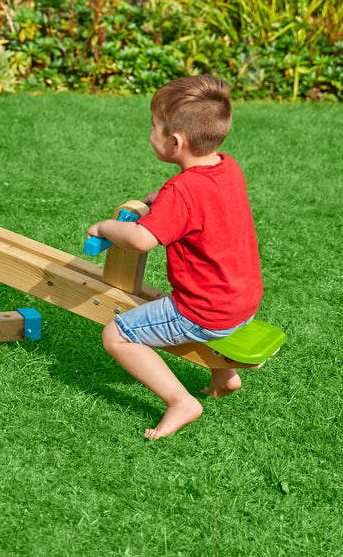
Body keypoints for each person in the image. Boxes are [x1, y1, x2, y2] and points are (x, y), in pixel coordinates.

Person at [87, 75, 262, 440]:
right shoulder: (227, 167)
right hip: (242, 301)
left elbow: (140, 239)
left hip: (205, 309)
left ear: (175, 141)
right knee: (174, 308)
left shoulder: (181, 193)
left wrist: (105, 228)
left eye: (154, 127)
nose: (150, 132)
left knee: (116, 335)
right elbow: (199, 199)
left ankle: (180, 401)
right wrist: (163, 198)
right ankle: (224, 374)